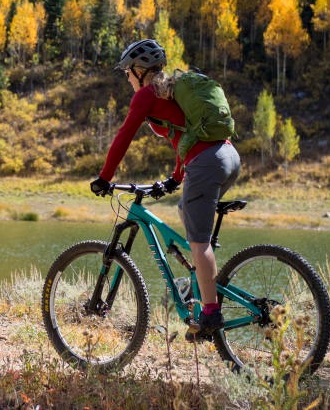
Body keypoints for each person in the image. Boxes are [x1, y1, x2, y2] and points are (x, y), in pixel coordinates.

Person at [89, 38, 241, 340]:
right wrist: (175, 177)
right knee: (187, 213)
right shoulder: (171, 92)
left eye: (128, 72)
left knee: (199, 241)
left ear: (140, 70)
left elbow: (123, 136)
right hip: (227, 156)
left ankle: (210, 316)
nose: (127, 78)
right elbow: (184, 135)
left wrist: (105, 177)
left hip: (207, 161)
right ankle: (199, 294)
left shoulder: (147, 95)